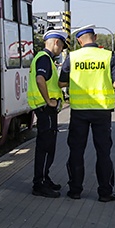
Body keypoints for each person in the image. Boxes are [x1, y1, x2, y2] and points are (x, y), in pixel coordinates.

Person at [58, 25, 115, 202]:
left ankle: (75, 191)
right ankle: (105, 192)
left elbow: (61, 83)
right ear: (95, 37)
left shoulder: (72, 57)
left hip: (79, 112)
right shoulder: (108, 56)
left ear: (79, 41)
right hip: (102, 112)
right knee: (103, 153)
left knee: (76, 151)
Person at [28, 28, 67, 198]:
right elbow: (39, 79)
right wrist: (49, 100)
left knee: (48, 147)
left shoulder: (44, 58)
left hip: (46, 110)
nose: (62, 50)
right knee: (45, 147)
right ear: (57, 42)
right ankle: (39, 184)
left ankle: (45, 177)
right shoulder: (44, 58)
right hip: (46, 109)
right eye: (62, 46)